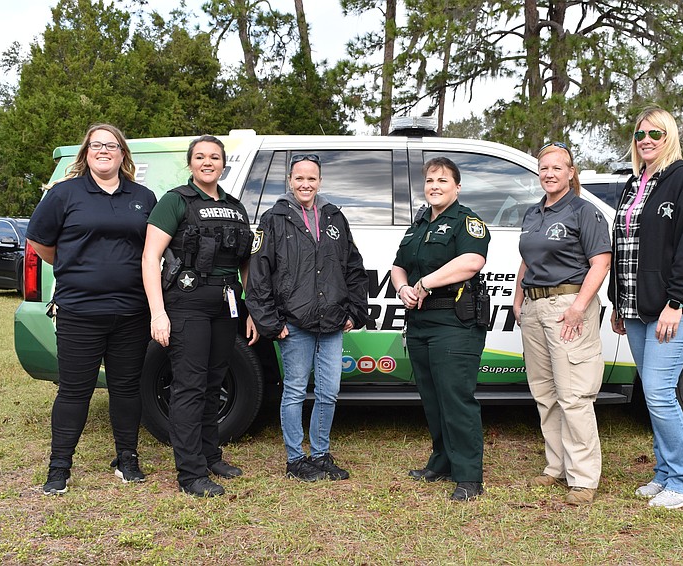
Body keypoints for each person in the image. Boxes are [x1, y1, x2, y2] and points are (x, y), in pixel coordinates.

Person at [27, 123, 157, 495]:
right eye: (96, 145)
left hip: (132, 311)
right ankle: (59, 468)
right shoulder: (65, 194)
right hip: (80, 310)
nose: (104, 150)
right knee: (74, 391)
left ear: (122, 154)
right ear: (86, 153)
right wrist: (76, 268)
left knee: (127, 389)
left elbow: (152, 249)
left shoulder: (143, 196)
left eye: (111, 145)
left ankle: (127, 459)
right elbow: (40, 243)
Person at [142, 135, 258, 498]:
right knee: (189, 387)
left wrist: (250, 308)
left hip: (226, 305)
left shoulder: (236, 207)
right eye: (200, 157)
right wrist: (158, 313)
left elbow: (246, 262)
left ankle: (211, 456)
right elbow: (149, 258)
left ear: (224, 164)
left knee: (213, 382)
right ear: (190, 163)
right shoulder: (175, 201)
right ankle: (190, 474)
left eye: (214, 157)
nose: (208, 162)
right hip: (187, 302)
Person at [609, 107, 683, 510]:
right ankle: (665, 473)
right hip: (636, 310)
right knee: (654, 393)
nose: (646, 140)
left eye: (655, 132)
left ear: (669, 136)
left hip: (676, 308)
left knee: (658, 391)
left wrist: (676, 302)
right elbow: (623, 250)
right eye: (640, 134)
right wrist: (619, 303)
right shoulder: (634, 184)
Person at [246, 153, 368, 482]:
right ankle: (295, 459)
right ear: (290, 181)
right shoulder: (274, 219)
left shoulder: (334, 218)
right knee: (296, 392)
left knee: (329, 392)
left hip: (331, 323)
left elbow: (354, 269)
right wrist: (272, 323)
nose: (305, 183)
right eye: (299, 178)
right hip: (294, 324)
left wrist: (354, 312)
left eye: (311, 178)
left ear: (320, 182)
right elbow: (258, 276)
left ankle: (321, 454)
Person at [512, 142, 612, 505]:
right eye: (544, 168)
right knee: (545, 394)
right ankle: (556, 466)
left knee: (574, 395)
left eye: (557, 168)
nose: (549, 173)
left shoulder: (584, 211)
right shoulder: (533, 213)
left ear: (571, 173)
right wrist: (519, 296)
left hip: (569, 305)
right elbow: (528, 257)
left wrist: (579, 307)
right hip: (536, 308)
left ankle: (583, 478)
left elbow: (600, 262)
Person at [391, 156, 490, 502]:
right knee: (432, 399)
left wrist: (425, 283)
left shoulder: (467, 222)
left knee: (455, 399)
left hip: (454, 322)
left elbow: (471, 262)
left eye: (443, 181)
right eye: (430, 180)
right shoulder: (417, 225)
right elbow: (398, 266)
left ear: (457, 187)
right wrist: (403, 287)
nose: (434, 186)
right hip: (419, 321)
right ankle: (442, 461)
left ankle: (468, 476)